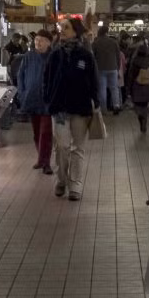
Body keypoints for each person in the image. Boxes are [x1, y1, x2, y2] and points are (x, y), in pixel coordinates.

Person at [44, 17, 97, 202]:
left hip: (80, 108)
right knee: (62, 147)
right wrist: (48, 100)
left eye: (66, 27)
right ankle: (61, 180)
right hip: (59, 108)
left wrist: (96, 102)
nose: (62, 30)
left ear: (76, 31)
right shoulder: (55, 55)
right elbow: (47, 79)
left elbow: (93, 80)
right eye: (61, 27)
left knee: (78, 149)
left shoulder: (85, 55)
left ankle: (75, 185)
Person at [18, 29, 54, 174]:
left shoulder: (53, 57)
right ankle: (41, 159)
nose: (38, 42)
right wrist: (22, 92)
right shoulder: (28, 56)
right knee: (37, 131)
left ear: (49, 42)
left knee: (46, 132)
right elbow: (20, 75)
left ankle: (45, 163)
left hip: (47, 101)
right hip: (31, 98)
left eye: (42, 40)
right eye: (36, 40)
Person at [125, 39, 149, 134]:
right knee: (145, 105)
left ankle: (141, 119)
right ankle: (144, 120)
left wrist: (128, 90)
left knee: (138, 106)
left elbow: (131, 77)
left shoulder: (135, 61)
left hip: (137, 87)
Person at [92, 25, 122, 114]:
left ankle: (103, 109)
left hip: (101, 68)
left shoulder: (96, 42)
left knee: (102, 89)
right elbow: (118, 56)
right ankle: (116, 105)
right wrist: (117, 67)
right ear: (107, 32)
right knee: (114, 88)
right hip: (113, 68)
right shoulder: (113, 42)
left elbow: (92, 56)